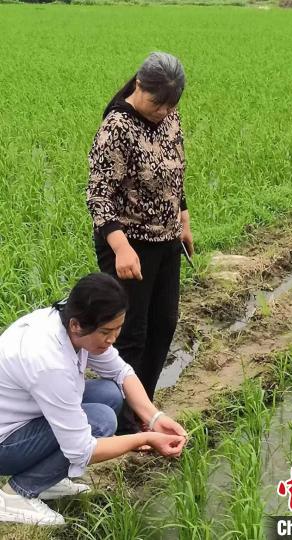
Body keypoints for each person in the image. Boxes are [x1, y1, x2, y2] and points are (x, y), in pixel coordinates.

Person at [0, 273, 187, 526]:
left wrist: (155, 417)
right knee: (100, 421)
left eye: (118, 330)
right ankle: (17, 494)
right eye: (106, 332)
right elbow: (82, 450)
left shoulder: (69, 324)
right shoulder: (49, 361)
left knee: (109, 394)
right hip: (6, 443)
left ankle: (46, 479)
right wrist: (145, 438)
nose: (112, 340)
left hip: (25, 416)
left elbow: (122, 372)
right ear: (77, 325)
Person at [87, 52, 193, 435]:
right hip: (128, 243)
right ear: (138, 86)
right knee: (130, 333)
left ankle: (143, 408)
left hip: (166, 239)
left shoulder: (170, 118)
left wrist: (183, 218)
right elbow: (98, 195)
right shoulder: (117, 127)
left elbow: (175, 171)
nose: (163, 111)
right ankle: (119, 421)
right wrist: (121, 247)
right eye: (156, 103)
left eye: (170, 105)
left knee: (164, 324)